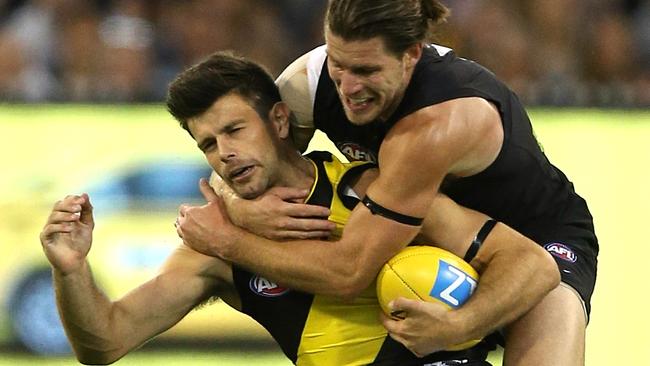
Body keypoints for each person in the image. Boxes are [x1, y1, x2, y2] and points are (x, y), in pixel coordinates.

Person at [41, 52, 557, 365]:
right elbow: (104, 341)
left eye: (235, 130)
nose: (225, 153)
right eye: (208, 144)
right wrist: (71, 271)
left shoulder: (372, 189)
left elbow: (533, 264)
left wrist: (458, 327)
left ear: (282, 121)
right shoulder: (213, 250)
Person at [177, 1, 598, 365]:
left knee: (546, 319)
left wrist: (229, 241)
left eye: (366, 70)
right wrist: (238, 203)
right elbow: (254, 157)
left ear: (412, 55)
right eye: (339, 64)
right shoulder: (307, 81)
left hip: (538, 242)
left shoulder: (438, 124)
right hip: (428, 233)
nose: (348, 87)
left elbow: (350, 270)